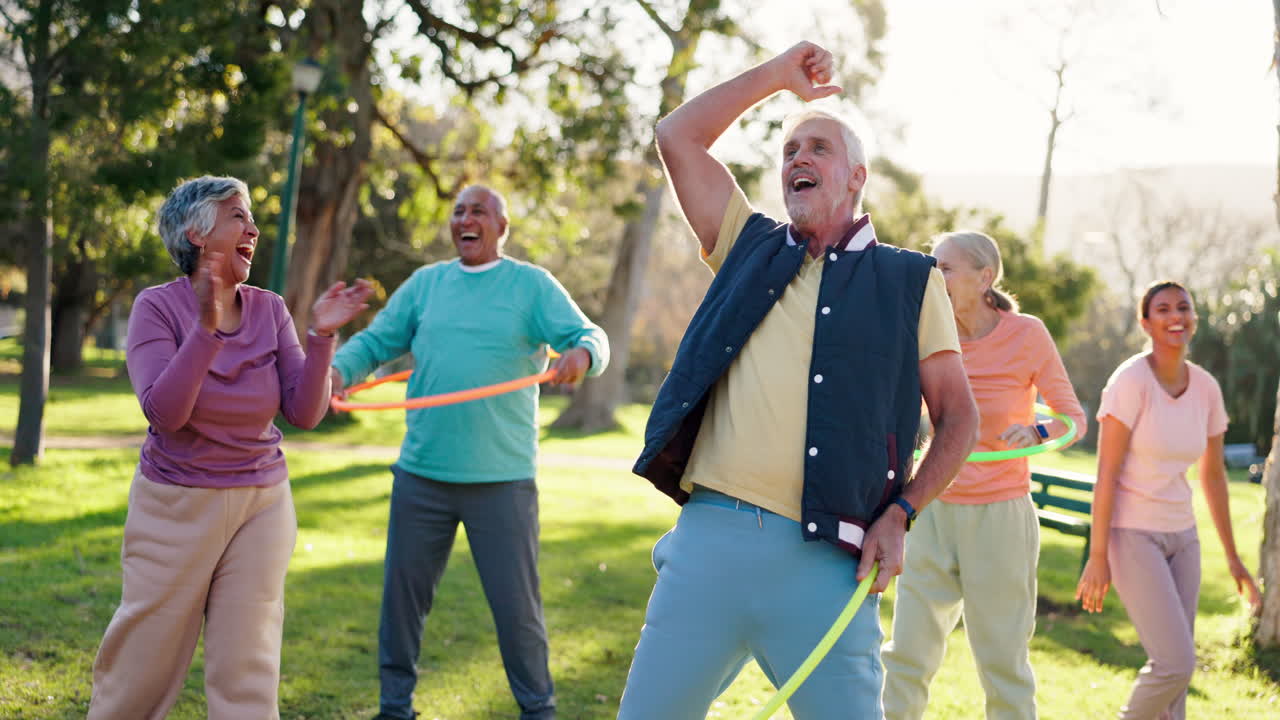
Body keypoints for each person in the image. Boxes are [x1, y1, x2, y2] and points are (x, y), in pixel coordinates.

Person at [619, 42, 980, 719]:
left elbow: (960, 418)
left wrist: (902, 514)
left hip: (828, 564)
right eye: (789, 153)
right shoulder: (744, 243)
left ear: (856, 178)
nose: (798, 160)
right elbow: (677, 135)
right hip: (711, 544)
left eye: (818, 149)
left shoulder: (910, 281)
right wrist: (778, 79)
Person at [87, 175, 372, 719]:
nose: (254, 228)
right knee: (143, 663)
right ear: (197, 234)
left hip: (261, 502)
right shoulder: (157, 308)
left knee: (248, 664)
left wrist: (322, 337)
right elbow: (165, 413)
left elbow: (305, 413)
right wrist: (207, 328)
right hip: (175, 506)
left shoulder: (269, 310)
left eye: (252, 218)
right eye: (238, 216)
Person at [329, 184, 609, 720]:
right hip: (422, 475)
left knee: (516, 610)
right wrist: (340, 370)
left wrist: (581, 353)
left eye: (478, 210)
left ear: (502, 226)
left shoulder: (530, 286)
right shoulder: (427, 285)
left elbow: (590, 335)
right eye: (458, 211)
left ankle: (538, 711)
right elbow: (375, 342)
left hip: (502, 480)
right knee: (402, 605)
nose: (466, 219)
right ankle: (394, 708)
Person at [881, 230, 1088, 720]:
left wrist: (1037, 429)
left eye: (946, 268)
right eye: (932, 266)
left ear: (985, 277)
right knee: (906, 656)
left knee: (1002, 663)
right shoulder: (925, 329)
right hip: (929, 508)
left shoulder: (1027, 334)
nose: (935, 275)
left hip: (1000, 518)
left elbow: (1072, 418)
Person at [1075, 280, 1262, 720]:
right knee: (1176, 663)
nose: (1176, 316)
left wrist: (1234, 560)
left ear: (1194, 318)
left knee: (1175, 679)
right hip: (1133, 535)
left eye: (1184, 307)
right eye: (1163, 309)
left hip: (1184, 538)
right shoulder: (1130, 381)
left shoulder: (1206, 389)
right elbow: (1107, 473)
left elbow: (1213, 476)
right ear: (1146, 322)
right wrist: (1098, 554)